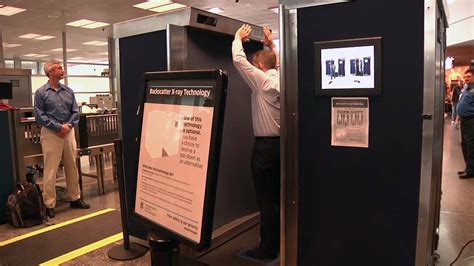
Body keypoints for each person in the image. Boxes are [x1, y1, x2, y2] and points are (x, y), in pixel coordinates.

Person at [232, 24, 280, 260]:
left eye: (257, 64)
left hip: (265, 149)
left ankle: (268, 248)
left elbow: (239, 61)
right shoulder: (280, 78)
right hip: (283, 147)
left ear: (260, 67)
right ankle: (282, 242)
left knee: (266, 200)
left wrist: (238, 38)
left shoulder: (261, 82)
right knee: (279, 197)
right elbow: (275, 62)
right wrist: (270, 45)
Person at [34, 59, 90, 218]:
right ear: (50, 72)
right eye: (59, 68)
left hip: (68, 131)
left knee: (72, 165)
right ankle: (49, 204)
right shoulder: (41, 93)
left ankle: (75, 198)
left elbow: (75, 111)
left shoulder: (68, 91)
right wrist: (58, 127)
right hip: (51, 133)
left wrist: (68, 126)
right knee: (51, 169)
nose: (62, 70)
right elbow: (40, 116)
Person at [456, 69, 474, 179]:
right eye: (465, 76)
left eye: (469, 76)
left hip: (471, 121)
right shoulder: (466, 89)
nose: (466, 78)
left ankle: (471, 171)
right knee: (465, 145)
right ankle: (468, 168)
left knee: (471, 146)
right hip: (464, 121)